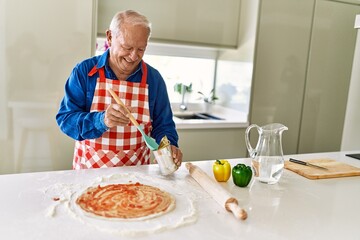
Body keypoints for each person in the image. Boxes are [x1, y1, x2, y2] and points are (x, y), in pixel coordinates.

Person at [56, 10, 182, 169]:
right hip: (88, 173)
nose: (134, 56)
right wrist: (101, 121)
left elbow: (164, 125)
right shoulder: (85, 72)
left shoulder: (154, 79)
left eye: (141, 49)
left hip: (137, 176)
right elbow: (66, 120)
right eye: (127, 47)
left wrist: (168, 146)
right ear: (109, 37)